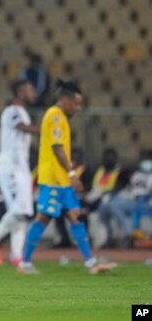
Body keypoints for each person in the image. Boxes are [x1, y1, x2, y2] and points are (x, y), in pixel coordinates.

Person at [18, 80, 116, 275]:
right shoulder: (54, 116)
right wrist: (72, 173)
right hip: (54, 178)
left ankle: (90, 263)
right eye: (76, 103)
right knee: (43, 219)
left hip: (62, 180)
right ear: (65, 100)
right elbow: (56, 148)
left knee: (75, 217)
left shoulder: (60, 116)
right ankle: (24, 263)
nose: (78, 108)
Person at [0, 79, 39, 266]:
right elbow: (22, 127)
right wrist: (47, 128)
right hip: (11, 168)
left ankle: (17, 256)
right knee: (19, 210)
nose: (33, 93)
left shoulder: (22, 112)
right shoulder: (12, 111)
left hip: (21, 167)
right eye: (30, 90)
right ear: (20, 92)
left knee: (23, 213)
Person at [99, 151, 152, 247]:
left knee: (116, 205)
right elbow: (130, 188)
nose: (146, 163)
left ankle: (128, 235)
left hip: (146, 203)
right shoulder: (137, 174)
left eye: (148, 160)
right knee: (105, 206)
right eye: (144, 160)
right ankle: (111, 237)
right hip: (133, 201)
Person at [52, 148, 92, 248]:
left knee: (81, 212)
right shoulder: (66, 170)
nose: (75, 158)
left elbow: (88, 187)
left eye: (77, 156)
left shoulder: (85, 171)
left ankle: (83, 238)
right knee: (58, 213)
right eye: (73, 156)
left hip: (81, 198)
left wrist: (78, 189)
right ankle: (64, 239)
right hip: (67, 198)